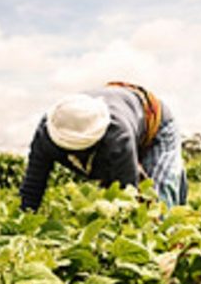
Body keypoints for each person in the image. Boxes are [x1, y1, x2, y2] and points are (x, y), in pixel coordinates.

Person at [20, 82, 188, 211]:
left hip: (155, 122)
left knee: (159, 201)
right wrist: (24, 223)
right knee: (109, 197)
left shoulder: (117, 136)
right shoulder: (47, 133)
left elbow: (127, 194)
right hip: (127, 123)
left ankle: (168, 245)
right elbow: (33, 187)